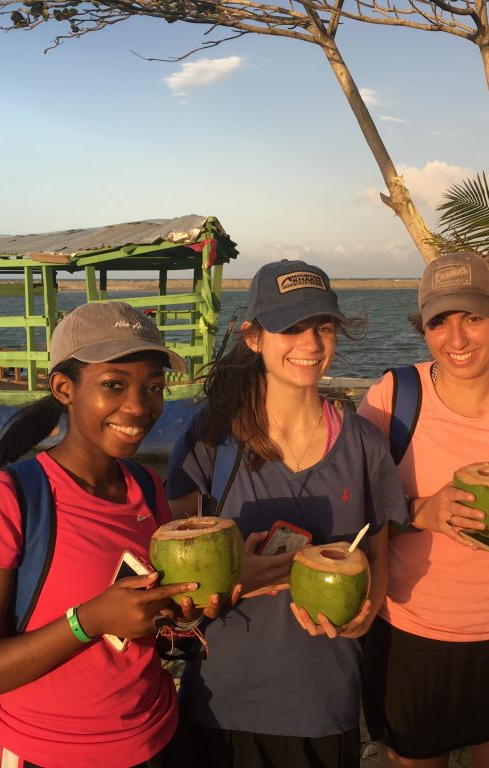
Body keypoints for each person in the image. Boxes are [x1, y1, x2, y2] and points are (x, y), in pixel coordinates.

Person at [0, 301, 212, 768]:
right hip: (46, 751)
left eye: (153, 387)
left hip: (157, 738)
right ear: (64, 388)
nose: (139, 405)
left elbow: (141, 623)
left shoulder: (147, 488)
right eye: (113, 385)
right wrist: (86, 621)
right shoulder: (9, 500)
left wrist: (183, 614)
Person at [166, 259, 408, 768]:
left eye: (322, 327)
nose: (311, 344)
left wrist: (365, 614)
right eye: (290, 328)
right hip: (223, 701)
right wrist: (237, 576)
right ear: (254, 338)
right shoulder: (212, 438)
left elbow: (379, 552)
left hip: (325, 700)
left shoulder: (362, 440)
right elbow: (174, 566)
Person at [357, 251, 489, 768]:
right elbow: (356, 512)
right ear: (424, 328)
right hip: (413, 637)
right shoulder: (393, 395)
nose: (457, 341)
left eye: (473, 318)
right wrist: (419, 512)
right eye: (440, 322)